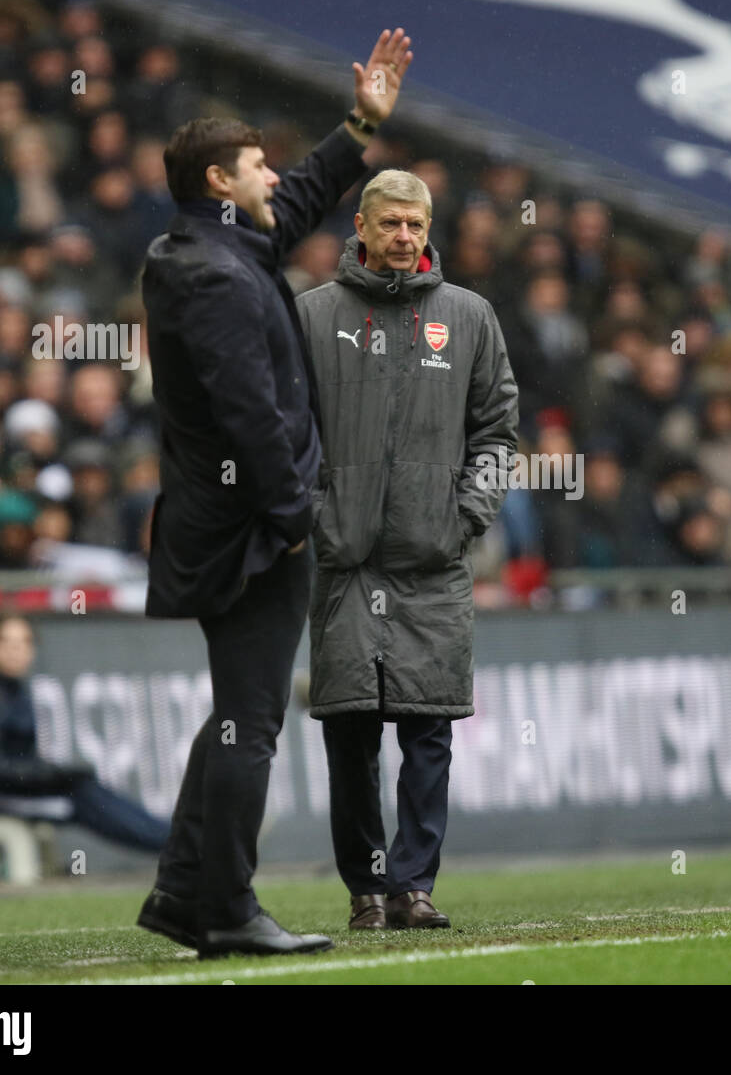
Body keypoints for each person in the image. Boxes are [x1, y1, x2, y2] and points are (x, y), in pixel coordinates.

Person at [135, 30, 414, 959]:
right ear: (220, 183)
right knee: (251, 722)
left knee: (234, 712)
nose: (272, 177)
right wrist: (295, 519)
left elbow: (295, 203)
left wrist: (359, 125)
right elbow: (248, 418)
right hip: (248, 534)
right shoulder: (210, 274)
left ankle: (184, 893)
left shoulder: (212, 253)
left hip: (236, 525)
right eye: (257, 165)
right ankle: (227, 910)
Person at [294, 169, 518, 931]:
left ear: (428, 229)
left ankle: (415, 888)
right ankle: (366, 890)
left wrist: (466, 517)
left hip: (433, 562)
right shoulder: (313, 316)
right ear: (360, 225)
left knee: (429, 732)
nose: (402, 238)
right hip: (345, 563)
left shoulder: (469, 317)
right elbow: (284, 434)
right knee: (351, 735)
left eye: (414, 226)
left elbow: (497, 432)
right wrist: (319, 517)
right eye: (388, 224)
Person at [0, 614, 169, 862]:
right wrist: (56, 775)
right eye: (7, 643)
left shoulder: (5, 685)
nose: (16, 652)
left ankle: (174, 839)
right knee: (81, 795)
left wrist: (60, 775)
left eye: (24, 643)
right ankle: (174, 845)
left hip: (14, 788)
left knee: (86, 786)